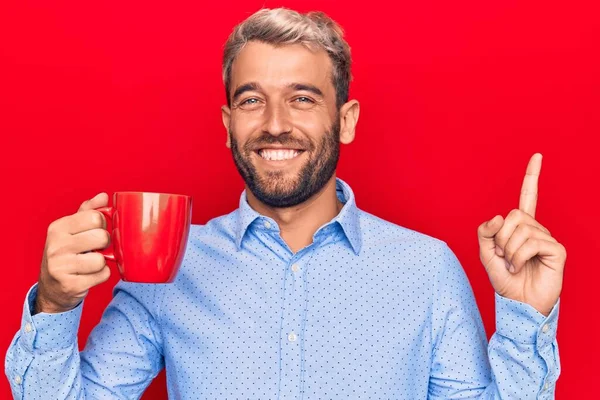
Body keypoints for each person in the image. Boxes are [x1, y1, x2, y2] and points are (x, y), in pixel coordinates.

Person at [6, 7, 566, 399]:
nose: (275, 125)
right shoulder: (169, 272)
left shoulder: (427, 270)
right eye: (252, 100)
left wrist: (526, 319)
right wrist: (54, 305)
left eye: (302, 98)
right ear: (228, 125)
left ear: (345, 121)